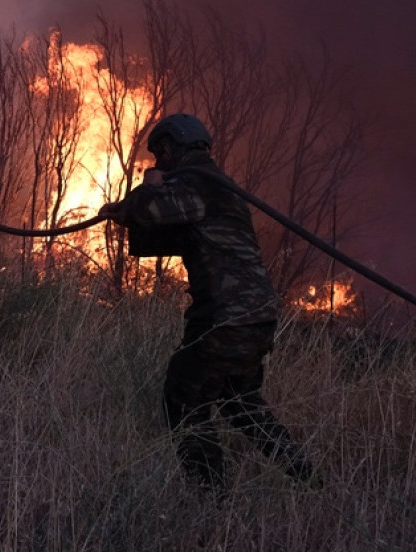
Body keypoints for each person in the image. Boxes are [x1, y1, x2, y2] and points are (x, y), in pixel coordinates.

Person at [98, 113, 315, 493]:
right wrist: (125, 217)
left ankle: (210, 499)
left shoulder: (195, 182)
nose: (157, 164)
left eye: (159, 155)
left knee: (184, 399)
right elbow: (175, 238)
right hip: (257, 317)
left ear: (170, 148)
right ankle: (308, 479)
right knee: (240, 403)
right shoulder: (219, 189)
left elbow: (153, 208)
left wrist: (146, 191)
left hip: (223, 319)